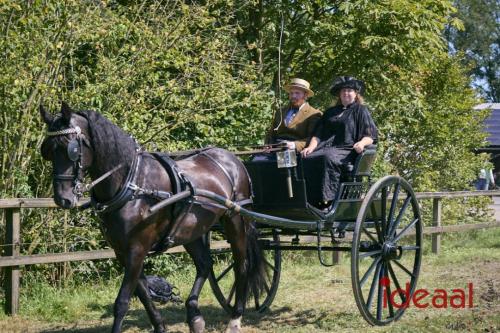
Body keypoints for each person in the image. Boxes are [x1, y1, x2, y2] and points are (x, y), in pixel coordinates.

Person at [301, 76, 378, 209]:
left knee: (327, 158)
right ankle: (310, 201)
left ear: (355, 93)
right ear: (339, 94)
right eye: (343, 91)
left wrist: (361, 143)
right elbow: (317, 134)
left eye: (349, 90)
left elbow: (370, 135)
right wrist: (311, 147)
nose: (346, 93)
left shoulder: (360, 110)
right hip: (326, 148)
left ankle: (330, 202)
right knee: (305, 158)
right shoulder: (330, 112)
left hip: (348, 151)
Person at [265, 78, 322, 153]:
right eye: (291, 93)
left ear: (306, 95)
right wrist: (268, 145)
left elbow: (313, 139)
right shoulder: (280, 111)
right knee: (255, 161)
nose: (293, 96)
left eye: (297, 93)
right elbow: (272, 133)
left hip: (296, 152)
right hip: (275, 149)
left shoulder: (314, 114)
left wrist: (294, 145)